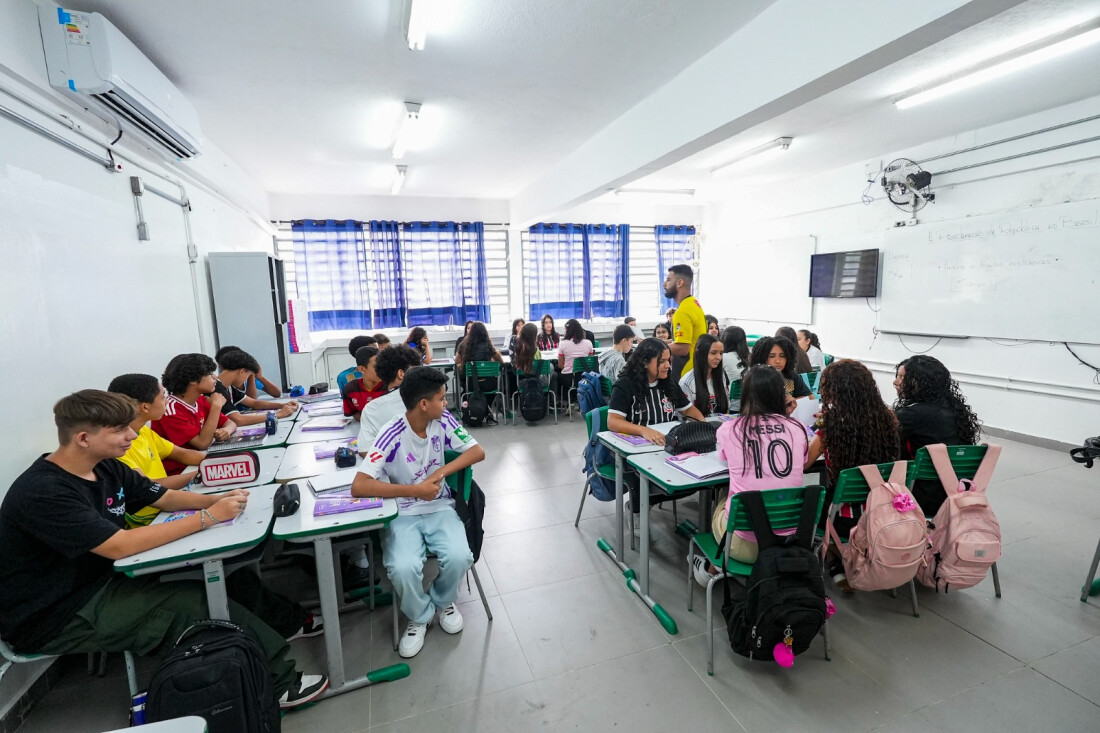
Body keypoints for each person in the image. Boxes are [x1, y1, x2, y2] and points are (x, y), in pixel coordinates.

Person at [0, 390, 328, 708]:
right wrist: (208, 517)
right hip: (58, 612)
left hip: (105, 580)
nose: (132, 435)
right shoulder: (44, 492)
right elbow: (118, 546)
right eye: (120, 430)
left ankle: (289, 623)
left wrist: (218, 498)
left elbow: (163, 497)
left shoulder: (104, 465)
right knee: (193, 604)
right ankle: (282, 683)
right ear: (84, 438)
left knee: (225, 574)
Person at [351, 368, 483, 658]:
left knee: (461, 555)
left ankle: (443, 600)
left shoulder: (443, 421)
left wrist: (440, 472)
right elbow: (359, 485)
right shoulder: (391, 433)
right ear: (424, 404)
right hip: (404, 511)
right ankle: (419, 616)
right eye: (441, 398)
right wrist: (415, 491)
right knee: (402, 566)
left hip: (439, 507)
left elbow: (477, 451)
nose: (446, 403)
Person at [697, 366, 806, 583]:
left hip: (742, 545)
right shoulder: (797, 428)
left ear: (745, 394)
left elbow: (725, 457)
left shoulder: (730, 429)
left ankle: (710, 568)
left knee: (724, 493)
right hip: (790, 539)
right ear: (780, 394)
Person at [805, 360, 900, 590]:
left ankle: (833, 560)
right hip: (880, 510)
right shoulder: (889, 419)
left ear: (837, 391)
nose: (821, 392)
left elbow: (806, 463)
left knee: (810, 499)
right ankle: (841, 560)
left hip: (842, 517)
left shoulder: (831, 424)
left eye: (826, 387)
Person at [608, 338, 705, 520]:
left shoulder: (667, 382)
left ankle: (649, 501)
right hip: (635, 451)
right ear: (645, 362)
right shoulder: (626, 384)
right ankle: (636, 511)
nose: (667, 366)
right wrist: (644, 430)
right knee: (643, 476)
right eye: (661, 361)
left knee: (691, 480)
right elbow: (613, 421)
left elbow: (688, 409)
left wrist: (704, 426)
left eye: (669, 360)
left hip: (664, 446)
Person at [107, 374, 206, 526]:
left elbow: (183, 454)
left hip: (168, 503)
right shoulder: (117, 447)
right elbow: (148, 486)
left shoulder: (144, 431)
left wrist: (220, 462)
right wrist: (204, 472)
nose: (167, 400)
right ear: (145, 407)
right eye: (162, 397)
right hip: (149, 519)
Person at [893, 355, 982, 516]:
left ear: (919, 383)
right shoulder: (955, 410)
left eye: (902, 377)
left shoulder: (910, 415)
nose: (896, 382)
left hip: (920, 496)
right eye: (897, 376)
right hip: (956, 490)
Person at [152, 353, 237, 474]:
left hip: (201, 462)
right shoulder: (170, 410)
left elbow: (231, 423)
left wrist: (227, 430)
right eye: (209, 374)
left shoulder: (201, 400)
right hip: (181, 472)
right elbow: (202, 443)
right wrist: (216, 407)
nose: (215, 377)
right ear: (192, 380)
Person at [357, 345, 426, 451]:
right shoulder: (430, 398)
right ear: (401, 374)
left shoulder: (372, 409)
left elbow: (364, 450)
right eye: (417, 370)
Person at [214, 349, 296, 426]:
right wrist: (278, 414)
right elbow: (238, 420)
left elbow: (254, 403)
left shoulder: (228, 387)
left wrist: (282, 405)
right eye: (248, 375)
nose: (246, 379)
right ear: (242, 371)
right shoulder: (217, 389)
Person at [664, 264, 706, 379]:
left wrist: (654, 346)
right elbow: (686, 339)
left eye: (668, 280)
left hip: (686, 372)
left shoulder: (682, 312)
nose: (664, 284)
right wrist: (656, 341)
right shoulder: (693, 303)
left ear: (679, 283)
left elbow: (683, 348)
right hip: (697, 368)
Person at [679, 334, 729, 417]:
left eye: (721, 353)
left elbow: (726, 408)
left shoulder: (722, 376)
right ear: (701, 353)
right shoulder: (687, 382)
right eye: (713, 353)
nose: (719, 357)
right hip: (697, 427)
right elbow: (685, 414)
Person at [456, 322, 504, 400]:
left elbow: (456, 361)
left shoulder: (463, 345)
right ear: (485, 333)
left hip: (471, 384)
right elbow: (501, 361)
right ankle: (488, 407)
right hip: (488, 385)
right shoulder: (488, 346)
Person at [215, 345, 282, 400]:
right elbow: (251, 401)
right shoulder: (224, 385)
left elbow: (277, 394)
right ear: (220, 366)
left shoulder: (246, 377)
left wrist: (258, 376)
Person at [341, 345, 384, 420]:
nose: (382, 369)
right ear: (362, 369)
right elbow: (353, 413)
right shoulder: (350, 389)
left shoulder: (391, 386)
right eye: (376, 366)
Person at [558, 319, 594, 401]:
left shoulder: (563, 344)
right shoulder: (588, 343)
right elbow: (590, 362)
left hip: (568, 379)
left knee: (557, 376)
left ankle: (564, 401)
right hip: (584, 377)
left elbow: (560, 365)